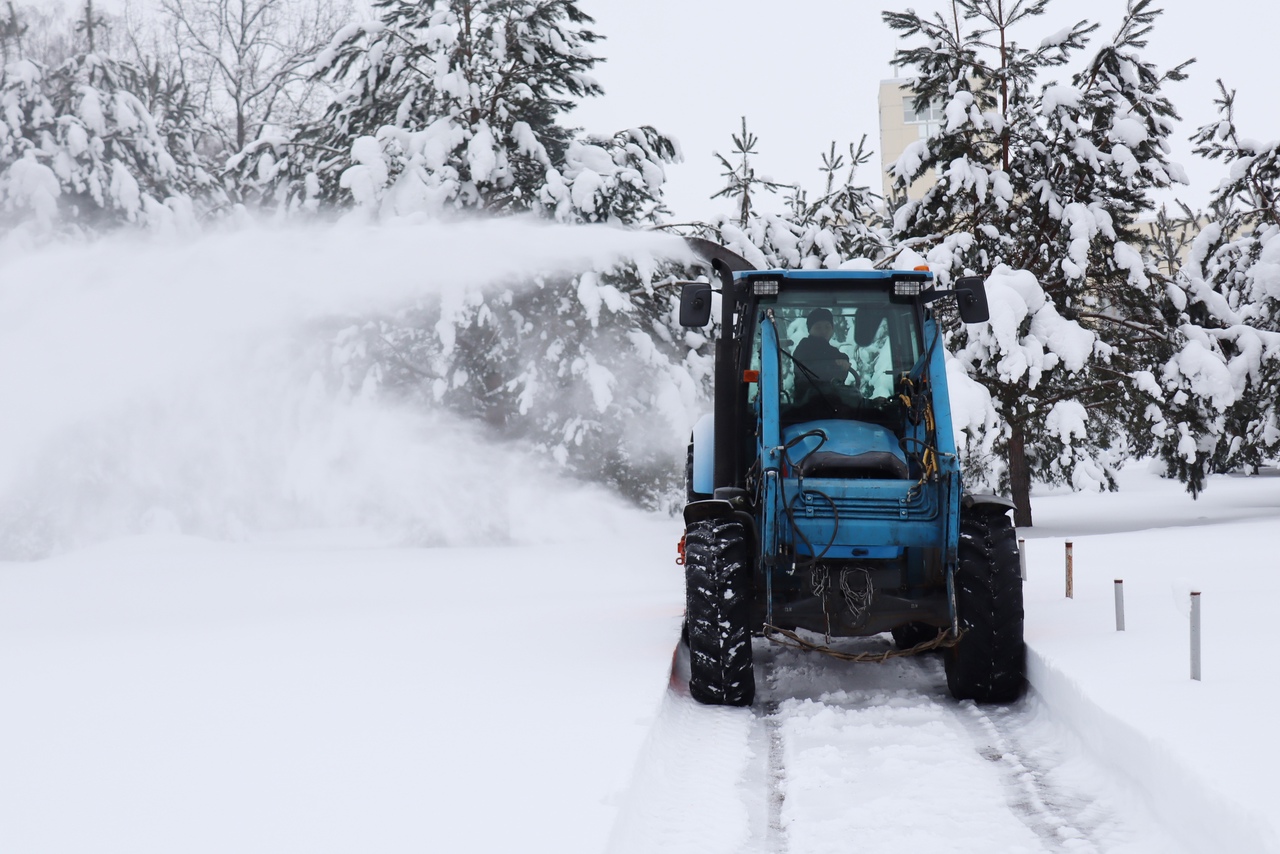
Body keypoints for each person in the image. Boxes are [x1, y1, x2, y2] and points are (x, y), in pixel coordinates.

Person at [792, 308, 852, 397]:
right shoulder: (804, 348)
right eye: (818, 327)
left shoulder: (831, 350)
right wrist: (835, 363)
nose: (823, 331)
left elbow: (838, 359)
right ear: (810, 330)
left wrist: (843, 360)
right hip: (807, 403)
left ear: (832, 329)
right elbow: (813, 368)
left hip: (829, 401)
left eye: (827, 327)